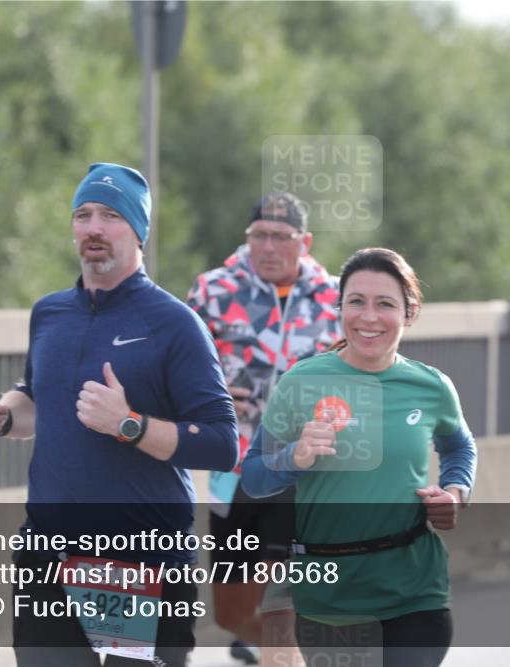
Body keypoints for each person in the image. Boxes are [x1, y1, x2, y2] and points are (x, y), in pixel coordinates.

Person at [0, 163, 238, 667]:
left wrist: (129, 425)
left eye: (111, 216)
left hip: (139, 559)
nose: (94, 227)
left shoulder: (175, 324)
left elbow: (222, 444)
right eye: (83, 214)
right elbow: (38, 399)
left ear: (138, 232)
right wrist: (4, 415)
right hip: (48, 556)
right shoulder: (49, 313)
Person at [241, 248, 477, 667]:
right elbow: (255, 477)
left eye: (385, 304)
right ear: (340, 308)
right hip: (328, 596)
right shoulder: (301, 382)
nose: (369, 317)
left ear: (409, 313)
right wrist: (295, 456)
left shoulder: (431, 387)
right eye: (356, 302)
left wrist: (456, 491)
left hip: (414, 589)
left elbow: (459, 446)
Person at [186, 192, 340, 665]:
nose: (268, 247)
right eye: (259, 236)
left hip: (301, 471)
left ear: (305, 242)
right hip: (234, 470)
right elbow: (179, 365)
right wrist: (207, 396)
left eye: (281, 237)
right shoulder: (213, 291)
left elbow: (366, 374)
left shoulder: (336, 298)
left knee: (278, 608)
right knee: (231, 614)